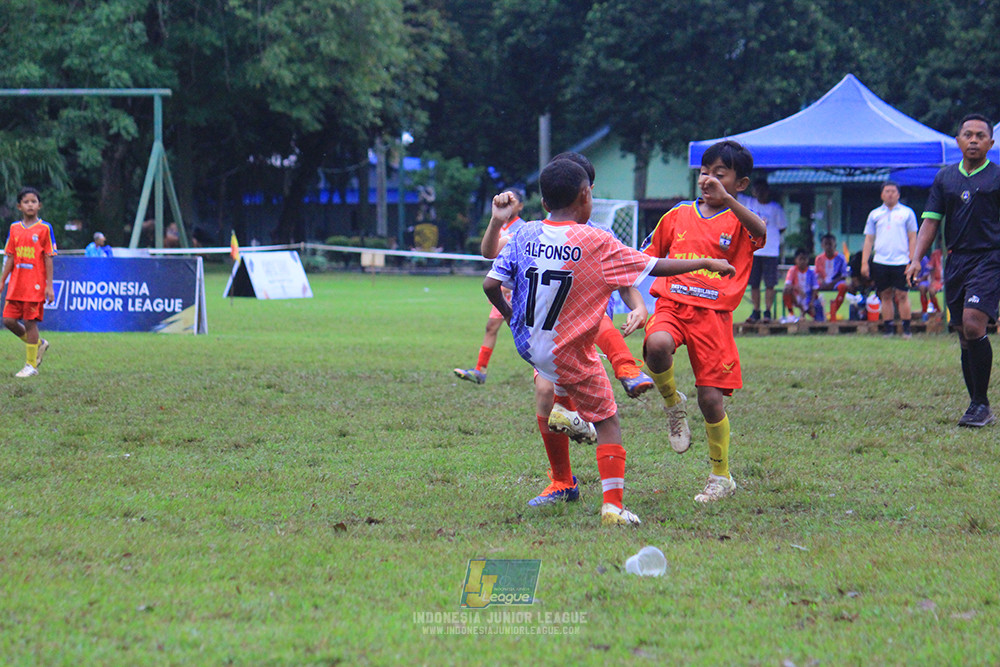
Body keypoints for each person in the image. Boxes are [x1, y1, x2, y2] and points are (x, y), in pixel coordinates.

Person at [484, 159, 734, 525]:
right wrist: (707, 262)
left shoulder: (526, 233)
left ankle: (571, 424)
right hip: (568, 351)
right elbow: (653, 264)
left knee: (567, 365)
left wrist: (511, 318)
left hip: (530, 345)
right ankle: (613, 506)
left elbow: (491, 283)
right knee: (608, 420)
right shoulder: (598, 240)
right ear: (586, 195)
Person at [641, 140, 766, 503]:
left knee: (711, 400)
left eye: (719, 174)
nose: (708, 179)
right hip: (672, 304)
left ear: (739, 183)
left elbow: (761, 232)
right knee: (658, 345)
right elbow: (645, 258)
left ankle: (720, 476)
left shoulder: (739, 218)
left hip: (713, 318)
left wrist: (728, 200)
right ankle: (671, 403)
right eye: (704, 172)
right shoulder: (677, 215)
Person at [472, 154, 655, 400]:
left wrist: (639, 307)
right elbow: (490, 252)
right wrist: (496, 221)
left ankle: (625, 367)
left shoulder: (601, 235)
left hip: (587, 330)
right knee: (548, 395)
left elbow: (623, 280)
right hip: (547, 327)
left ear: (587, 191)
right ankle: (594, 398)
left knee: (581, 404)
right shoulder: (536, 234)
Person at [905, 113, 1000, 428]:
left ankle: (981, 404)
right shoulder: (945, 178)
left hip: (989, 259)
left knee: (974, 324)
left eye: (980, 136)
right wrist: (916, 259)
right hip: (955, 261)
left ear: (991, 142)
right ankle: (977, 405)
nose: (973, 140)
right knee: (962, 333)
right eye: (967, 135)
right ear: (958, 140)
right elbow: (931, 220)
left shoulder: (997, 177)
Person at [453, 188, 526, 385]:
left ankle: (548, 374)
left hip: (518, 290)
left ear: (520, 206)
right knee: (491, 326)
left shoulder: (522, 228)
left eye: (514, 201)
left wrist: (504, 286)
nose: (509, 203)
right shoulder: (500, 224)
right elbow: (488, 252)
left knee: (526, 332)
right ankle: (480, 370)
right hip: (501, 286)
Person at [1, 187, 57, 377]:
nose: (30, 205)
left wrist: (49, 286)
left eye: (34, 201)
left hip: (35, 284)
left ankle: (31, 365)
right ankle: (39, 344)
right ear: (19, 206)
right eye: (26, 202)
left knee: (30, 322)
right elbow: (10, 257)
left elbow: (49, 257)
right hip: (16, 283)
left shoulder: (44, 228)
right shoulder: (14, 228)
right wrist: (2, 280)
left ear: (39, 206)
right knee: (8, 320)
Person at [862, 181, 918, 338]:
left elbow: (913, 237)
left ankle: (906, 329)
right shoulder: (874, 214)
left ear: (898, 194)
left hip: (901, 261)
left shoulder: (907, 213)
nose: (890, 194)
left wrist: (911, 260)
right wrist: (864, 262)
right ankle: (888, 328)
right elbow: (868, 240)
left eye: (893, 191)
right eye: (887, 191)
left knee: (902, 295)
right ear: (882, 194)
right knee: (885, 295)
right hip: (881, 261)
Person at [739, 176, 786, 323]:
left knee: (770, 283)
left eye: (762, 190)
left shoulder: (775, 208)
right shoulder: (749, 203)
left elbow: (782, 227)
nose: (760, 193)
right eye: (757, 190)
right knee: (754, 283)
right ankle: (756, 311)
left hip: (770, 251)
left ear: (767, 192)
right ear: (753, 191)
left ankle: (767, 311)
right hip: (754, 250)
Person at [781, 248, 825, 322]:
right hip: (796, 298)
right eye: (800, 259)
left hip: (808, 298)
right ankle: (791, 313)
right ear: (796, 260)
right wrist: (797, 289)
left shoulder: (811, 273)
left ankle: (808, 315)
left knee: (819, 318)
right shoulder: (792, 270)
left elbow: (815, 289)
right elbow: (787, 285)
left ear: (807, 260)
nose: (802, 262)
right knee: (786, 291)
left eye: (804, 259)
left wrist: (811, 301)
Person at [815, 233, 850, 320]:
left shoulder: (841, 258)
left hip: (836, 281)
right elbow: (817, 274)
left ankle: (833, 311)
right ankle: (818, 311)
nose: (828, 247)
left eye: (830, 244)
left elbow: (844, 275)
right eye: (826, 244)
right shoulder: (819, 258)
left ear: (835, 245)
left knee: (843, 286)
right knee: (812, 287)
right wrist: (822, 282)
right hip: (823, 282)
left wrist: (832, 283)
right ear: (822, 246)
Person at [916, 246, 943, 321]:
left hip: (948, 279)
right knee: (925, 288)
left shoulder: (952, 253)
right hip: (936, 280)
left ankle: (940, 313)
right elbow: (930, 269)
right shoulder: (936, 254)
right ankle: (926, 312)